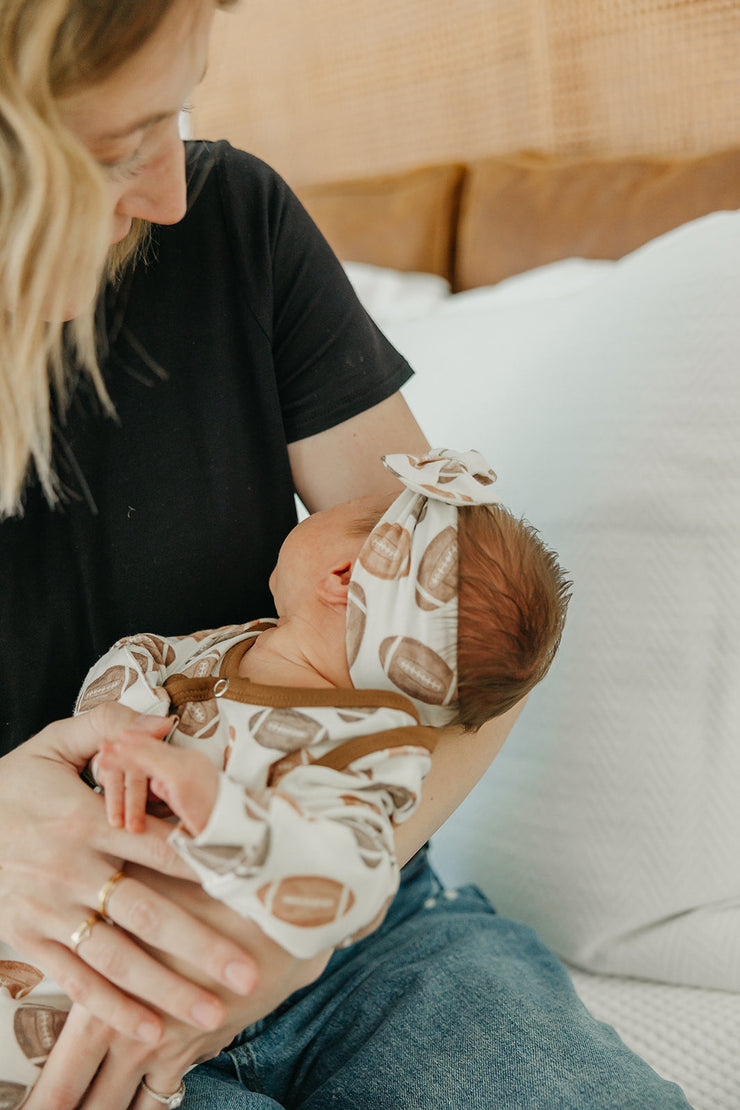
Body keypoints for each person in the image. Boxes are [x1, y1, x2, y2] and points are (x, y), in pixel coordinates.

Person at [0, 1, 692, 1107]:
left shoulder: (229, 223)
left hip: (361, 937)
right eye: (116, 148)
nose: (169, 191)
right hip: (65, 976)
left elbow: (466, 657)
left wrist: (312, 918)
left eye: (177, 114)